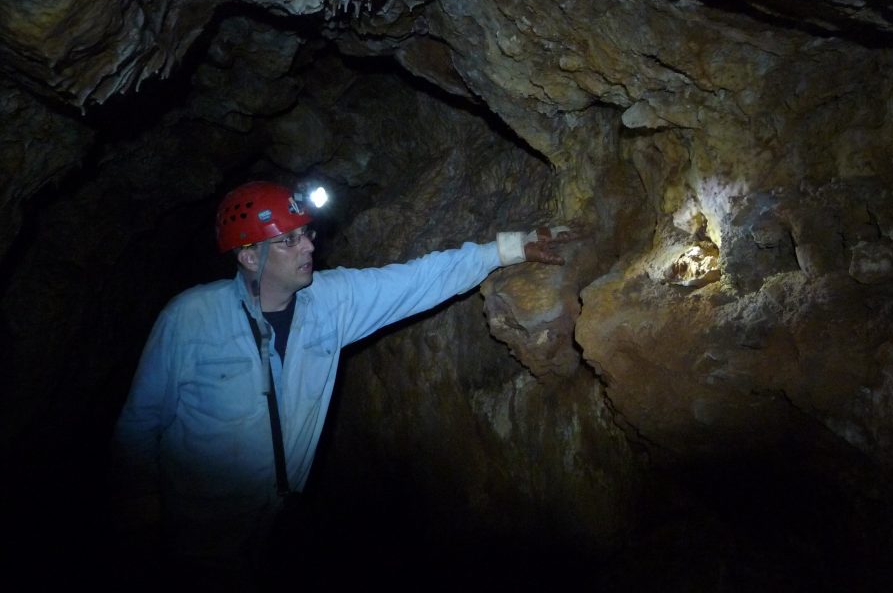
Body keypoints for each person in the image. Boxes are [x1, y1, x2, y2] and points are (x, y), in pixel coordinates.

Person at [108, 180, 577, 584]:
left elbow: (418, 280)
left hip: (277, 516)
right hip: (199, 526)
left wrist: (509, 248)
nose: (310, 246)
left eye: (306, 234)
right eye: (289, 241)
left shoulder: (330, 302)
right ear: (250, 255)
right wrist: (140, 504)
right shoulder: (190, 318)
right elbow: (141, 421)